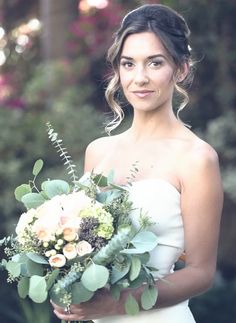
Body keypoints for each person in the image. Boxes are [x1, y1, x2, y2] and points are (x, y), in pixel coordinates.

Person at [52, 4, 223, 322]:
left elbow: (200, 273)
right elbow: (83, 244)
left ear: (181, 69)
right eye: (128, 64)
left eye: (155, 63)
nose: (140, 78)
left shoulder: (197, 159)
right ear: (118, 70)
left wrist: (117, 304)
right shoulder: (98, 151)